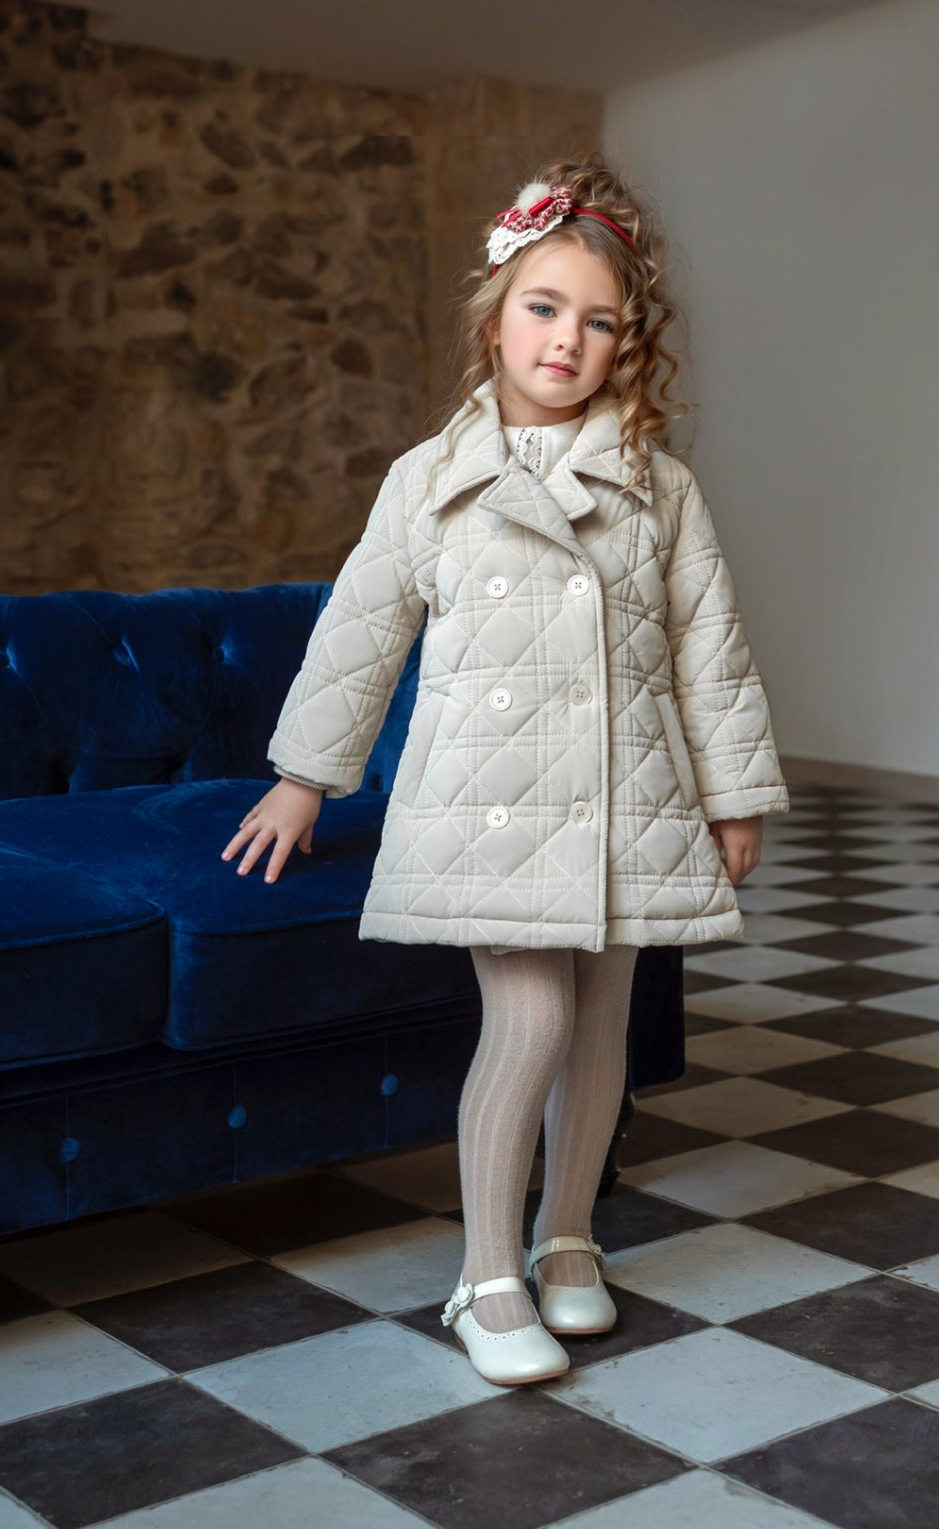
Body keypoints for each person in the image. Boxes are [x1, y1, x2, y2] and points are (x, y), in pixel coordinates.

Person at [220, 153, 789, 1387]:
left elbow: (710, 643)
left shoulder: (659, 487)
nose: (567, 339)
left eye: (600, 320)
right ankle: (486, 1274)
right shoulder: (430, 481)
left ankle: (567, 1237)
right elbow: (360, 630)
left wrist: (735, 791)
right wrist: (305, 775)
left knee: (601, 1028)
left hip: (628, 794)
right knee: (531, 1016)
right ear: (495, 317)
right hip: (490, 801)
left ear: (627, 344)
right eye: (543, 306)